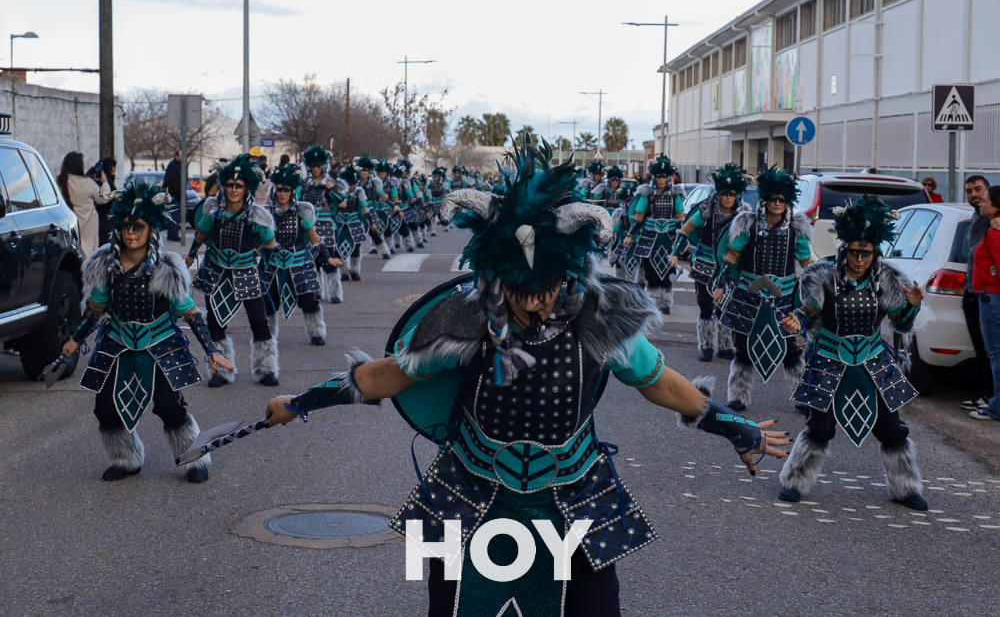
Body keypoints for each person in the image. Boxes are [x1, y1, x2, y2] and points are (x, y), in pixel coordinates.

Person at [263, 140, 789, 616]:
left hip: (575, 491)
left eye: (547, 285)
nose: (534, 300)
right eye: (519, 286)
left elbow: (657, 381)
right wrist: (302, 400)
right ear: (495, 275)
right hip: (467, 490)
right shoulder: (464, 321)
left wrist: (729, 426)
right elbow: (385, 377)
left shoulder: (598, 320)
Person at [62, 182, 231, 483]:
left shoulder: (167, 267)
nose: (130, 233)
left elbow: (190, 312)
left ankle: (194, 458)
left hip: (161, 344)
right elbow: (96, 309)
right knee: (105, 409)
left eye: (137, 226)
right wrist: (75, 340)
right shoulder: (107, 264)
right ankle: (126, 458)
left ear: (151, 229)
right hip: (117, 343)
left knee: (169, 406)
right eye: (125, 226)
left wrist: (212, 350)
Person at [778, 195, 927, 510]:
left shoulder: (886, 278)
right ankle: (794, 481)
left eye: (867, 253)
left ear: (875, 252)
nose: (860, 260)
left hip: (873, 362)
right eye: (855, 253)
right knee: (820, 427)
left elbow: (901, 324)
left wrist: (911, 305)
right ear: (844, 250)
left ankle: (906, 487)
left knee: (891, 428)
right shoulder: (821, 274)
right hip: (829, 360)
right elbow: (808, 310)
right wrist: (797, 320)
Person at [713, 166, 813, 412]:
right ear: (765, 199)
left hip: (784, 298)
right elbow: (732, 254)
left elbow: (807, 263)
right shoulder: (747, 223)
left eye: (782, 199)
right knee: (744, 348)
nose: (777, 203)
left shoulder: (796, 228)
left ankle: (802, 396)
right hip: (749, 295)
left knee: (789, 348)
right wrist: (720, 284)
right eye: (773, 199)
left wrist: (815, 291)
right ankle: (738, 396)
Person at [186, 154, 280, 387]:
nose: (233, 190)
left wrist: (265, 262)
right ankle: (221, 370)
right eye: (230, 185)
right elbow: (201, 234)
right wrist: (190, 255)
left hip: (247, 272)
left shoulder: (258, 216)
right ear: (224, 185)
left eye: (238, 185)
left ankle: (266, 369)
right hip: (215, 271)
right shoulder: (212, 211)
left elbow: (269, 242)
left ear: (246, 187)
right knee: (215, 324)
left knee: (259, 320)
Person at [669, 163, 748, 362]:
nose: (728, 198)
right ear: (718, 194)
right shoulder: (705, 210)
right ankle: (705, 346)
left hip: (730, 269)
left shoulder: (743, 216)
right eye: (724, 194)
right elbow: (685, 230)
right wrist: (675, 253)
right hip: (704, 264)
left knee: (726, 305)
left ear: (737, 195)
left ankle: (725, 345)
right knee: (705, 305)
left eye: (732, 194)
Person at [262, 163, 341, 346]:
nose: (282, 194)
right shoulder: (265, 213)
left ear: (292, 192)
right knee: (268, 302)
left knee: (309, 300)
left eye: (286, 190)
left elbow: (314, 238)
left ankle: (316, 331)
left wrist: (326, 256)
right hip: (272, 264)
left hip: (299, 262)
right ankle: (267, 334)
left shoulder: (302, 211)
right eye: (279, 190)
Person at [622, 156, 685, 314]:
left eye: (664, 176)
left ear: (668, 177)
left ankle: (665, 301)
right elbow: (638, 217)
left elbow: (680, 221)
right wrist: (630, 235)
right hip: (650, 239)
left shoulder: (675, 196)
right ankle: (651, 301)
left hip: (669, 239)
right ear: (654, 177)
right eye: (659, 176)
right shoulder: (647, 195)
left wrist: (682, 239)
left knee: (667, 272)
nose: (662, 180)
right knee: (651, 273)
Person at [960, 175, 996, 412]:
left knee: (991, 350)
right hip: (972, 290)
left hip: (988, 293)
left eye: (978, 189)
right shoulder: (976, 216)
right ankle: (988, 395)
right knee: (983, 349)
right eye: (970, 191)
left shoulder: (993, 221)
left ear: (989, 191)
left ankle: (991, 397)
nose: (974, 194)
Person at [968, 185, 1000, 422]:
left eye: (985, 199)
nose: (981, 202)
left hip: (992, 298)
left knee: (996, 354)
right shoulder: (992, 228)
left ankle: (996, 407)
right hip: (989, 296)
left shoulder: (995, 231)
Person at [300, 146, 345, 303]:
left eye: (319, 166)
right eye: (313, 166)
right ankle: (317, 291)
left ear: (323, 166)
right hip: (309, 225)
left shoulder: (330, 183)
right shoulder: (304, 184)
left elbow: (343, 202)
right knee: (312, 260)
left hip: (326, 224)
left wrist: (331, 190)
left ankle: (335, 292)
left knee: (329, 259)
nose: (316, 169)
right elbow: (298, 203)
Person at [56, 151, 113, 258]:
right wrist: (105, 182)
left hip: (69, 225)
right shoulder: (87, 183)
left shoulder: (60, 182)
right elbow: (104, 198)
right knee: (88, 254)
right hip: (88, 227)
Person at [162, 150, 183, 241]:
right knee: (175, 215)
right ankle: (173, 235)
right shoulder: (173, 166)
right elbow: (172, 181)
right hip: (174, 195)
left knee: (175, 215)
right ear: (176, 156)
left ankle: (172, 234)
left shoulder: (178, 165)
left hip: (176, 195)